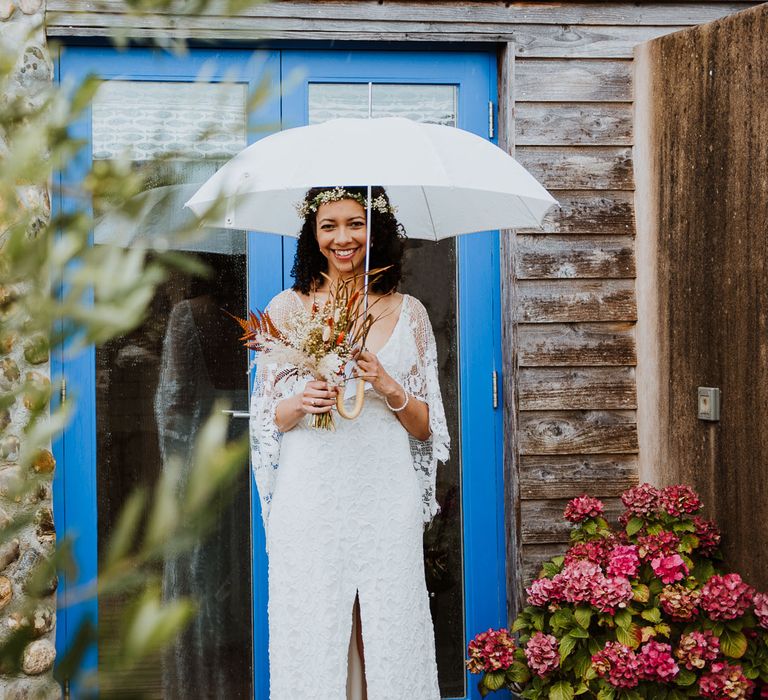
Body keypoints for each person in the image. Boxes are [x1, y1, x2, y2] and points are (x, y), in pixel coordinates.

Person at [249, 185, 450, 700]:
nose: (343, 238)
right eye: (329, 225)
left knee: (389, 621)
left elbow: (427, 428)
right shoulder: (286, 310)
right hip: (311, 492)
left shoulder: (410, 314)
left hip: (384, 491)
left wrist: (386, 385)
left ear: (375, 228)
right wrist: (304, 401)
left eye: (355, 223)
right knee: (315, 622)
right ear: (313, 235)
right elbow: (266, 418)